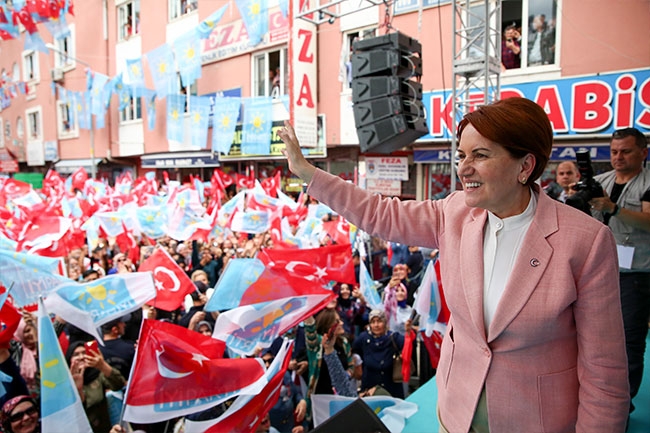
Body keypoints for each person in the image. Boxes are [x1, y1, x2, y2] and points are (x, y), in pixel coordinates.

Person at [278, 97, 629, 431]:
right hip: (456, 412)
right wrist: (308, 173)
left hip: (538, 420)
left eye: (480, 154)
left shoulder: (586, 241)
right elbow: (378, 213)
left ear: (525, 166)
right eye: (461, 155)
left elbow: (605, 373)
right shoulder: (455, 212)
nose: (464, 168)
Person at [589, 127, 650, 416]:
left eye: (625, 151)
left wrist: (612, 209)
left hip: (637, 273)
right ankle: (595, 397)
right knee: (591, 337)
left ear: (643, 152)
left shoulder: (648, 182)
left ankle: (621, 404)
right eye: (614, 152)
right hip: (598, 269)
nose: (618, 157)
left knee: (628, 339)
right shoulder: (599, 181)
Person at [66, 341, 126, 432]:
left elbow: (119, 384)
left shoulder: (97, 375)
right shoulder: (65, 382)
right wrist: (77, 390)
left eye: (84, 353)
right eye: (76, 354)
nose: (81, 357)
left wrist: (102, 366)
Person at [351, 309, 407, 398]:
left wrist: (409, 331)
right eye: (373, 322)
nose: (376, 325)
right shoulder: (364, 338)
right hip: (370, 388)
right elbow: (353, 350)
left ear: (385, 322)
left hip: (391, 388)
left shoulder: (393, 337)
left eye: (379, 321)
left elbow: (408, 345)